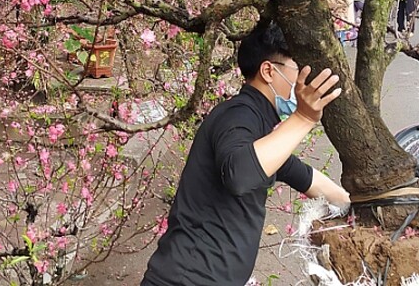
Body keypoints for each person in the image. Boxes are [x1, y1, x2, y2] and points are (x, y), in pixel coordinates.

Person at [141, 22, 350, 286]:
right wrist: (304, 118)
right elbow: (239, 175)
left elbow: (307, 178)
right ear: (268, 71)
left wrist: (355, 204)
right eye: (299, 72)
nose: (304, 84)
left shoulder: (262, 126)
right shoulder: (238, 115)